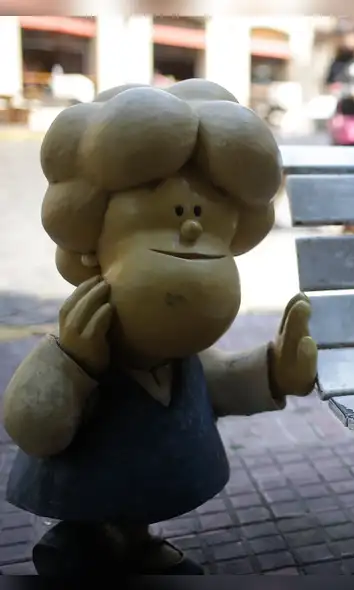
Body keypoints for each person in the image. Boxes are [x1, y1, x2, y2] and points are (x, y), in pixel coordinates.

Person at [2, 79, 318, 575]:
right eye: (167, 213)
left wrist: (276, 370)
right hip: (83, 494)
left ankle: (133, 538)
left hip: (142, 493)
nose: (191, 227)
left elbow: (220, 383)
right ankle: (94, 539)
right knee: (83, 556)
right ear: (93, 237)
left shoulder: (180, 358)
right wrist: (71, 364)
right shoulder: (88, 337)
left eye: (204, 217)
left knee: (129, 538)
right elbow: (30, 423)